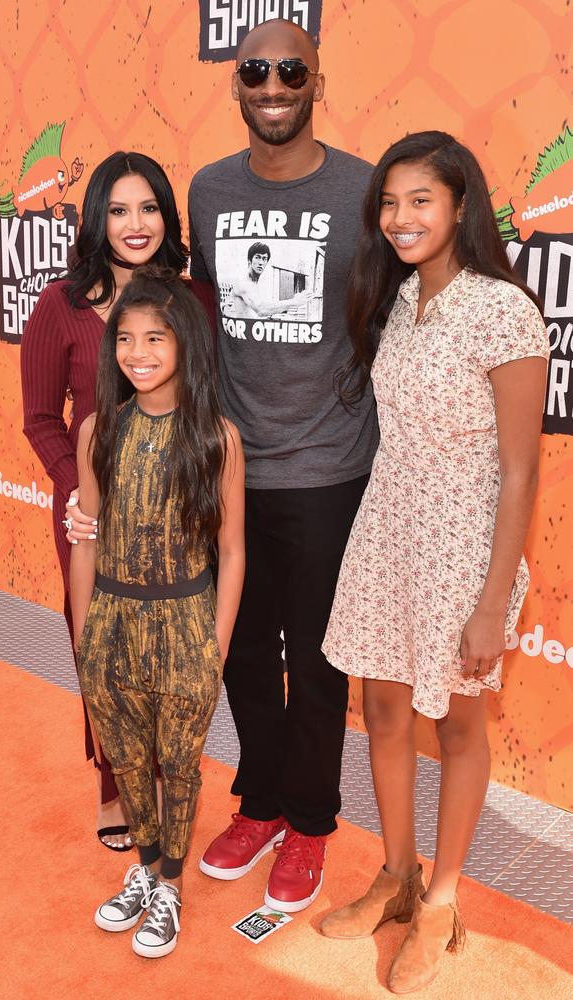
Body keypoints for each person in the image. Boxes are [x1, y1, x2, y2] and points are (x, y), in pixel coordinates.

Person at [319, 131, 548, 993]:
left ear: (460, 206)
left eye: (421, 200)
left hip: (463, 543)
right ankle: (398, 875)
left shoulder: (503, 310)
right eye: (390, 202)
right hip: (389, 528)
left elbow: (521, 469)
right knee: (380, 710)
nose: (402, 217)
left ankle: (445, 900)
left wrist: (494, 600)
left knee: (455, 725)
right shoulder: (399, 296)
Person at [188, 18, 378, 913]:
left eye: (289, 70)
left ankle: (310, 822)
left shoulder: (365, 188)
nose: (272, 85)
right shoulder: (207, 190)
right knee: (243, 659)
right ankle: (259, 801)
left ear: (316, 81)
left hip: (331, 468)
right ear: (237, 84)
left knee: (318, 660)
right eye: (255, 70)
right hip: (227, 466)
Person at [70, 265, 244, 958]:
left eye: (156, 338)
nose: (138, 353)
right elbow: (84, 539)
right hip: (111, 620)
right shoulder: (96, 431)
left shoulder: (218, 439)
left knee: (179, 764)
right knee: (129, 763)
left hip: (185, 625)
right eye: (126, 339)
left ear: (187, 346)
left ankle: (170, 886)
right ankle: (143, 871)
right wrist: (86, 638)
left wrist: (217, 644)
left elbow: (232, 553)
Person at [20, 151, 188, 850]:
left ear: (167, 216)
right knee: (101, 647)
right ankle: (115, 779)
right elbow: (40, 418)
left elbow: (207, 405)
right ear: (95, 218)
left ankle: (163, 770)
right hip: (91, 517)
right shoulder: (60, 306)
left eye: (148, 207)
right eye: (118, 210)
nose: (135, 223)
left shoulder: (190, 301)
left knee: (166, 650)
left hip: (176, 514)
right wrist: (75, 489)